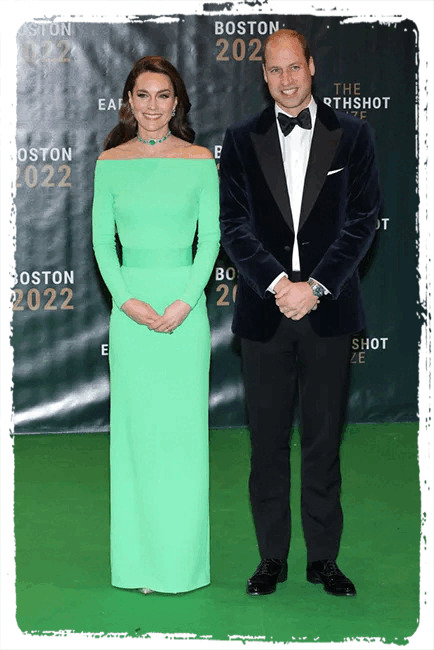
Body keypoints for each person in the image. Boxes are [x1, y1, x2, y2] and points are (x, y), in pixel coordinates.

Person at [219, 29, 381, 597]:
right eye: (274, 70)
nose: (286, 80)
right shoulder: (241, 139)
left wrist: (314, 286)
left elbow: (363, 220)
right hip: (265, 313)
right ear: (263, 75)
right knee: (266, 444)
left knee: (322, 440)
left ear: (311, 66)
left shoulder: (353, 135)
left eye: (294, 67)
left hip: (327, 309)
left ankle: (323, 559)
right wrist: (277, 285)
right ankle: (271, 558)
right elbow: (233, 225)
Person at [92, 56, 220, 595]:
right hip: (132, 317)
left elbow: (210, 240)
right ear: (129, 101)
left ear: (177, 103)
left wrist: (185, 302)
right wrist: (127, 302)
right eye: (142, 95)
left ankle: (180, 565)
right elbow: (103, 243)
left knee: (181, 440)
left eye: (163, 95)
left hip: (185, 316)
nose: (152, 106)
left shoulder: (199, 160)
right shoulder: (109, 162)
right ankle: (140, 564)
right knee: (137, 439)